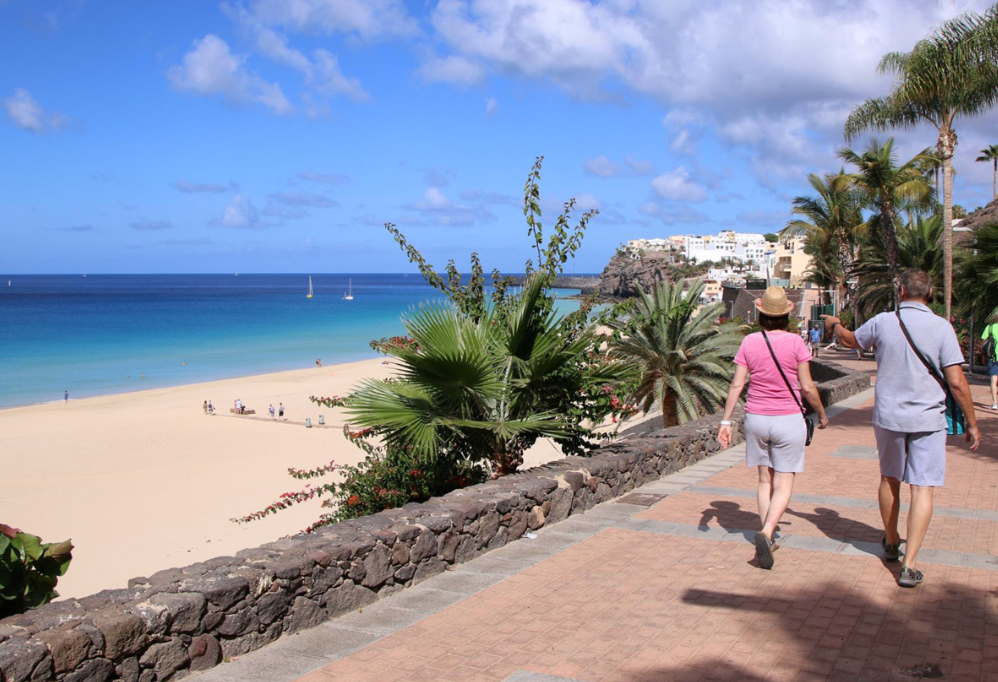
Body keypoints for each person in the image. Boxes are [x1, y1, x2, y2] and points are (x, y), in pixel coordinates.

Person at [823, 268, 980, 587]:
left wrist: (836, 324)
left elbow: (852, 340)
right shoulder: (942, 328)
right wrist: (972, 423)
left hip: (889, 417)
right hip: (928, 419)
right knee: (922, 487)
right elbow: (957, 382)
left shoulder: (883, 322)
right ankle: (909, 565)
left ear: (902, 292)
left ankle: (892, 541)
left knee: (889, 478)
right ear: (930, 294)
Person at [718, 286, 829, 570]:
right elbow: (806, 386)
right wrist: (821, 413)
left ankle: (768, 534)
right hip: (788, 418)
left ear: (761, 313)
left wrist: (725, 421)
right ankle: (768, 532)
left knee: (764, 481)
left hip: (756, 417)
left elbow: (737, 384)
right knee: (783, 482)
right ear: (786, 316)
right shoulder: (796, 343)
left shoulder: (750, 342)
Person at [981, 313, 998, 409]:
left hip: (993, 358)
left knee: (993, 378)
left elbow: (984, 343)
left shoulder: (989, 327)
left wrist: (983, 356)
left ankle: (994, 403)